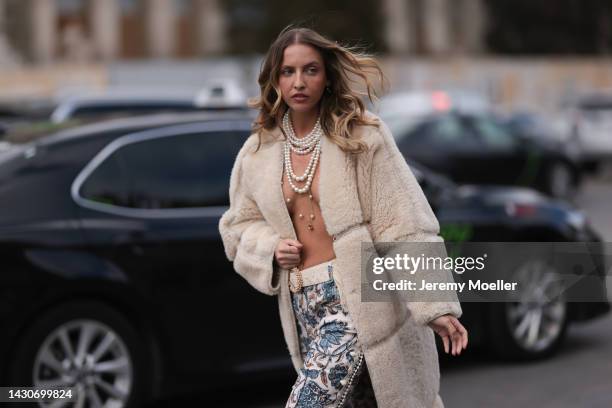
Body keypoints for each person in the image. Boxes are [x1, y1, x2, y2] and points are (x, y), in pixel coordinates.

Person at [219, 26, 468, 408]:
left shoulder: (361, 137)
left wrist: (434, 304)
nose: (298, 82)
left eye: (311, 70)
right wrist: (269, 249)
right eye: (288, 72)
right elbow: (237, 226)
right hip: (302, 301)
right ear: (275, 78)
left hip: (355, 296)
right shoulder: (258, 152)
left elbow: (403, 221)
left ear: (327, 76)